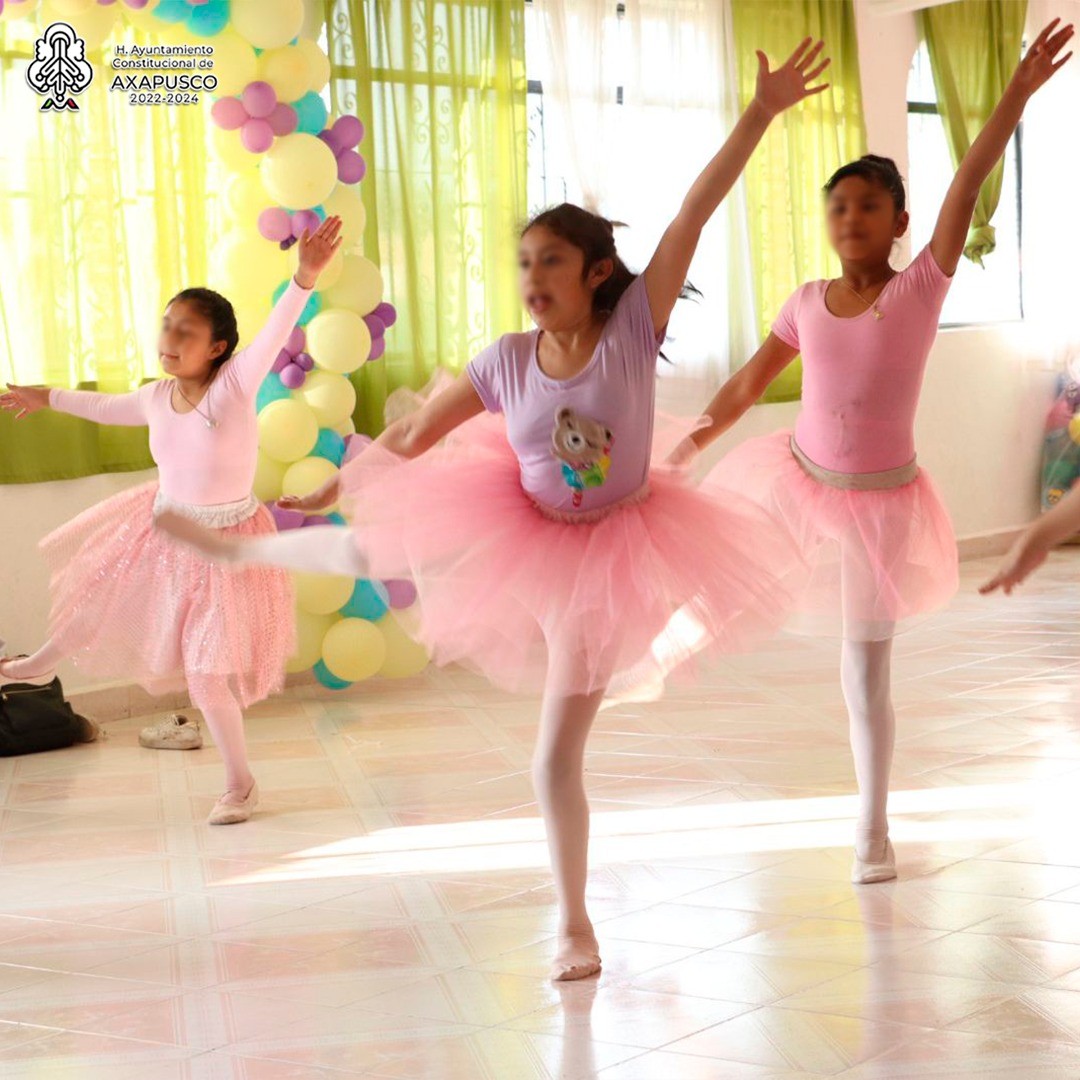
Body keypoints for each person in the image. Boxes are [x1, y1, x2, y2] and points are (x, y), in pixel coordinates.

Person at [156, 40, 831, 979]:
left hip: (624, 542)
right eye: (522, 262)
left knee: (556, 750)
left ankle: (574, 922)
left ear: (597, 272)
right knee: (385, 554)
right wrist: (333, 483)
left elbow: (691, 214)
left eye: (550, 260)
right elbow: (413, 438)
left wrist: (759, 113)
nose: (530, 276)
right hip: (525, 535)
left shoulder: (633, 332)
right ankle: (572, 919)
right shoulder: (504, 360)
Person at [663, 17, 1074, 885]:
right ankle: (655, 641)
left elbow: (968, 179)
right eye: (838, 207)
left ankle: (872, 825)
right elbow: (747, 383)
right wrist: (688, 446)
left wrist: (1018, 93)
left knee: (863, 667)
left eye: (868, 206)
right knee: (717, 570)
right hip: (797, 479)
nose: (851, 218)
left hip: (883, 498)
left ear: (899, 221)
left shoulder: (922, 287)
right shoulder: (806, 299)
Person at [0, 216, 344, 825]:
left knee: (208, 673)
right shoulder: (156, 396)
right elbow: (99, 406)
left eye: (187, 329)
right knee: (99, 590)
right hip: (164, 525)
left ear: (216, 347)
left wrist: (305, 276)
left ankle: (239, 784)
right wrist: (43, 395)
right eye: (167, 323)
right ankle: (42, 662)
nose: (171, 335)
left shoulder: (234, 385)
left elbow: (273, 331)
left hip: (226, 542)